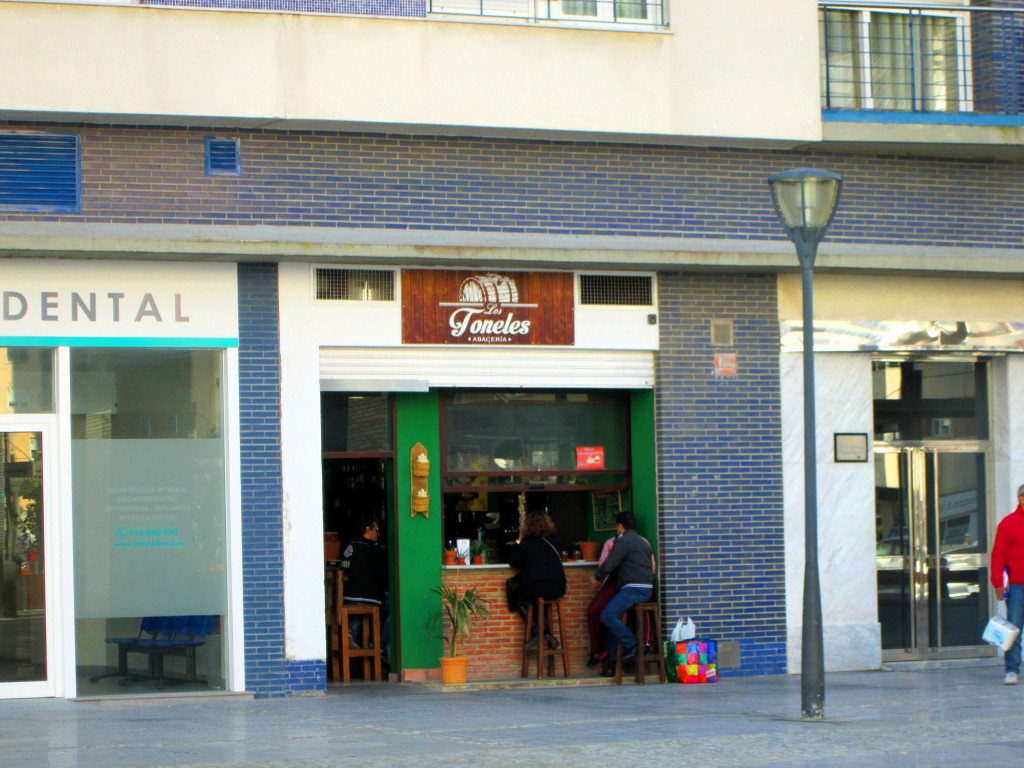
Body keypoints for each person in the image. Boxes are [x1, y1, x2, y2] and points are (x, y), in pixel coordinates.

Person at [591, 510, 654, 676]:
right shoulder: (643, 542)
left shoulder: (623, 541)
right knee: (614, 617)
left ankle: (633, 644)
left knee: (607, 616)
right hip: (646, 587)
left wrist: (597, 578)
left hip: (633, 588)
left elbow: (610, 563)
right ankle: (614, 658)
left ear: (620, 526)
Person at [508, 511, 567, 649]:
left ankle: (539, 632)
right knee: (539, 600)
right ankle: (545, 633)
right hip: (558, 587)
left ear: (529, 525)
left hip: (536, 588)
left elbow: (513, 561)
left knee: (513, 587)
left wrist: (519, 540)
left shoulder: (527, 543)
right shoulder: (556, 540)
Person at [340, 515, 389, 663]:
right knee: (394, 606)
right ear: (368, 531)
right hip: (368, 596)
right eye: (376, 530)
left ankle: (351, 633)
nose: (378, 533)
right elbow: (384, 569)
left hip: (347, 596)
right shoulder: (372, 549)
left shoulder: (350, 546)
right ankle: (378, 643)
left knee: (357, 605)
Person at [990, 484, 1024, 685]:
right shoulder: (1008, 524)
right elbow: (998, 556)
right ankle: (1011, 670)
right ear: (1020, 499)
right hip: (1017, 587)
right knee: (1013, 628)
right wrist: (997, 584)